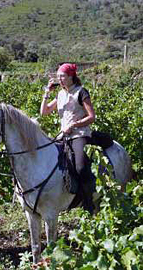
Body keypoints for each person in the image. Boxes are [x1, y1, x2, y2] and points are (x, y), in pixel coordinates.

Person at [40, 63, 96, 214]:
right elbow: (44, 112)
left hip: (79, 134)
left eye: (63, 76)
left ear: (71, 76)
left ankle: (88, 200)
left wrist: (74, 125)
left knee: (80, 167)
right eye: (58, 76)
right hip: (63, 135)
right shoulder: (60, 94)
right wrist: (47, 92)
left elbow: (92, 117)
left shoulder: (81, 92)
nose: (60, 79)